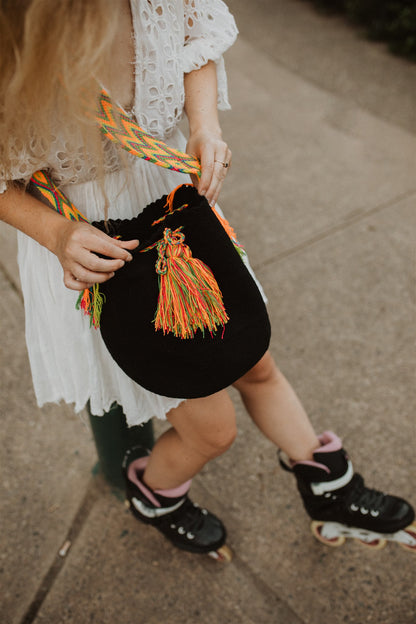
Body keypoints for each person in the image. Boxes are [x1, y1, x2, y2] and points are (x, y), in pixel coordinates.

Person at [1, 0, 414, 560]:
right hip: (98, 246)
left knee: (256, 360)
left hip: (179, 209)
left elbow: (195, 41)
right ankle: (156, 494)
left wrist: (205, 126)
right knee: (213, 429)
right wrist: (54, 234)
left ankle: (330, 489)